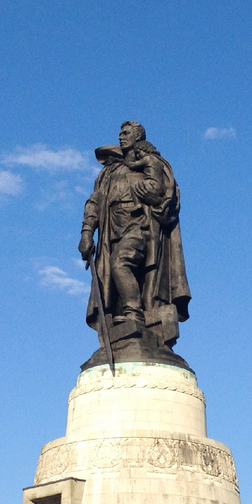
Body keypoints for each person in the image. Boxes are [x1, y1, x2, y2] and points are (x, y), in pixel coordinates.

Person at [79, 121, 190, 358]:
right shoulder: (109, 172)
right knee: (113, 272)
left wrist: (145, 191)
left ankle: (134, 313)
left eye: (126, 133)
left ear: (138, 136)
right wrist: (87, 232)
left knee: (121, 264)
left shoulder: (150, 164)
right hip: (112, 232)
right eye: (120, 133)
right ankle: (126, 320)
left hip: (140, 226)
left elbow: (163, 194)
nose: (121, 137)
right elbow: (95, 203)